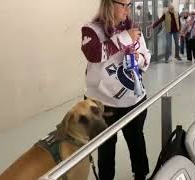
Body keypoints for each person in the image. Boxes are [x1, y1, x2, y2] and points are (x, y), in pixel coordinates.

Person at [80, 0, 150, 180]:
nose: (128, 10)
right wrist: (125, 37)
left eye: (130, 4)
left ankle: (141, 175)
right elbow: (94, 54)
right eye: (123, 4)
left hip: (134, 99)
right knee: (106, 149)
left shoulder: (133, 28)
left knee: (136, 142)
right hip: (104, 104)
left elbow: (146, 57)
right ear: (109, 4)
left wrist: (139, 58)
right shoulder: (91, 30)